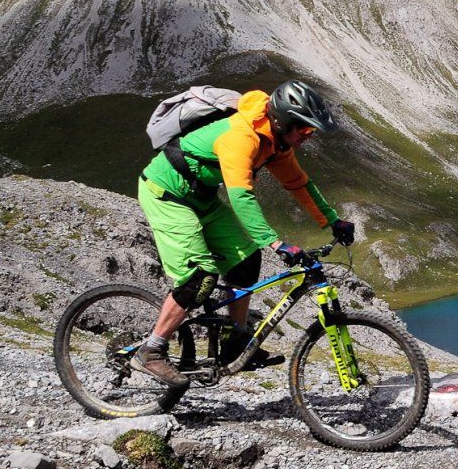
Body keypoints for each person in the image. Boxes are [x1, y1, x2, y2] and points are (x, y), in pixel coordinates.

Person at [133, 80, 355, 388]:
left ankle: (235, 342)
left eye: (311, 131)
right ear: (284, 122)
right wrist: (274, 241)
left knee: (247, 262)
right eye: (304, 130)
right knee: (199, 277)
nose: (308, 137)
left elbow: (298, 184)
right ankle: (151, 349)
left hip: (201, 198)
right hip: (166, 193)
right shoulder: (242, 137)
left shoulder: (275, 143)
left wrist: (332, 221)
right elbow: (241, 196)